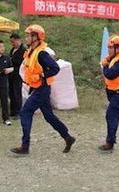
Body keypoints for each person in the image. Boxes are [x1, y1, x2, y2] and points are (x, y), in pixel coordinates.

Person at [10, 24, 75, 155]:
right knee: (49, 116)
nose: (26, 38)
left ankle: (25, 146)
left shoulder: (42, 53)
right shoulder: (31, 51)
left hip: (42, 89)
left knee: (25, 112)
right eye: (27, 35)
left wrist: (41, 75)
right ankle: (68, 137)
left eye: (29, 35)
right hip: (36, 88)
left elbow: (55, 68)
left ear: (36, 37)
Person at [8, 33, 26, 119]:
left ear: (18, 40)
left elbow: (22, 64)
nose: (12, 43)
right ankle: (13, 111)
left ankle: (19, 112)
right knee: (11, 93)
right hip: (11, 74)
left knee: (17, 93)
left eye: (13, 41)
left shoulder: (23, 50)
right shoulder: (12, 50)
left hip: (18, 74)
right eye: (11, 42)